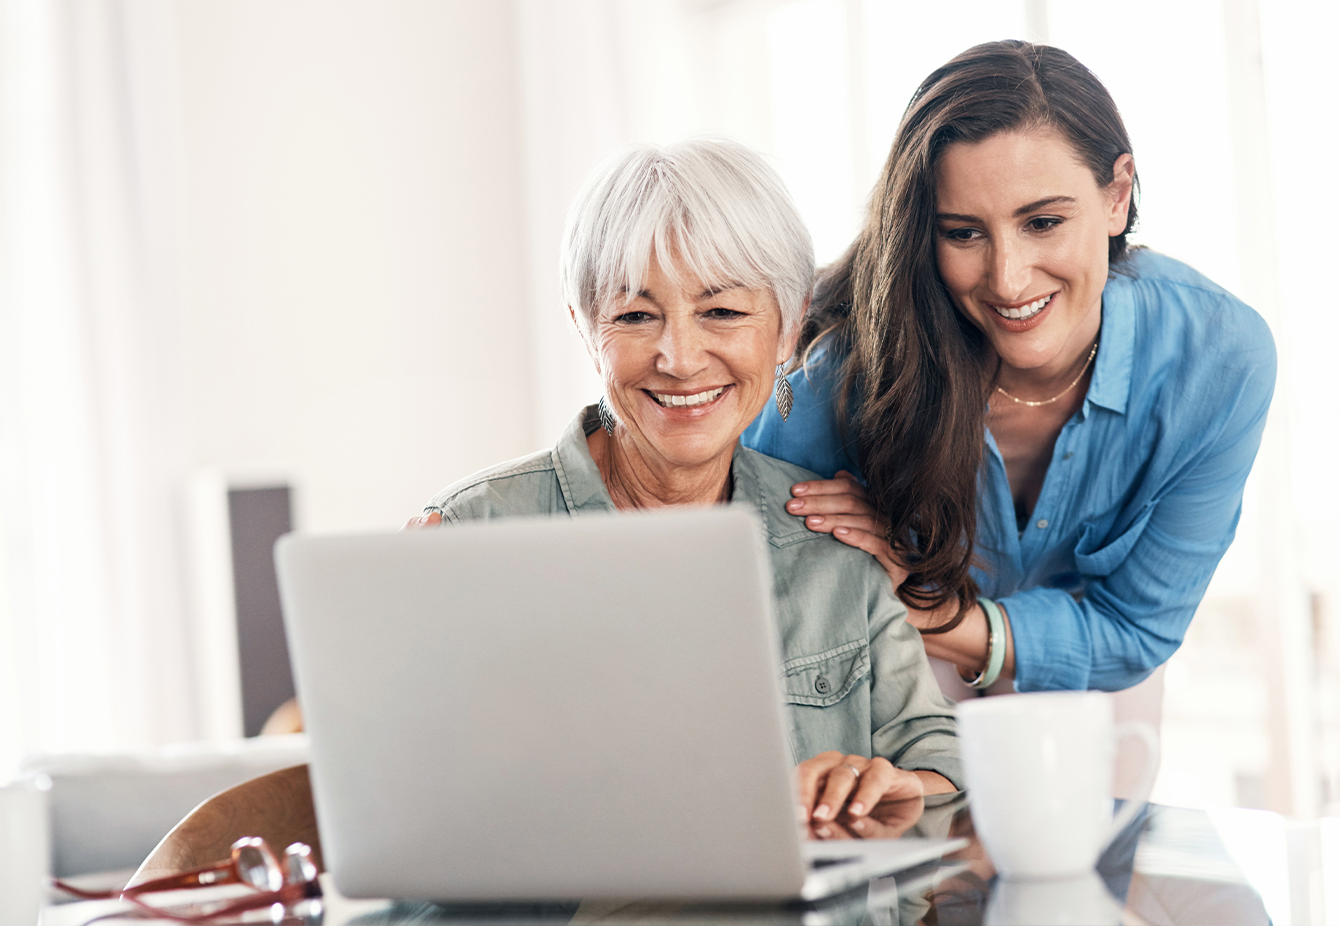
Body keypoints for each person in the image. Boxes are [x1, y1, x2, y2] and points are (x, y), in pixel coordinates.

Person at [413, 139, 961, 821]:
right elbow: (419, 820)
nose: (679, 357)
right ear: (585, 329)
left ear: (788, 327)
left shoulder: (833, 542)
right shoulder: (471, 536)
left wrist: (887, 784)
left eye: (723, 312)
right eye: (636, 316)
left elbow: (943, 759)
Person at [745, 41, 1275, 704]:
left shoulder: (1218, 357)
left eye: (1043, 222)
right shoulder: (840, 371)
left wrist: (937, 610)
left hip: (1085, 673)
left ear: (1116, 195)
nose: (1008, 277)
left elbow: (1134, 633)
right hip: (891, 662)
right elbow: (754, 586)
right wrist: (840, 562)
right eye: (963, 233)